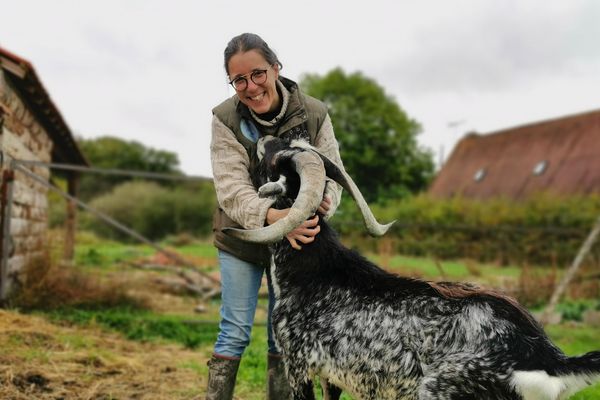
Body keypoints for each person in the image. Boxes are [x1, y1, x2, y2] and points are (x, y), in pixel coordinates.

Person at [207, 32, 344, 399]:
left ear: (276, 67)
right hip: (244, 237)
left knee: (283, 332)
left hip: (297, 242)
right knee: (235, 330)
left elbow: (333, 173)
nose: (250, 87)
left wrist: (327, 198)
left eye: (258, 74)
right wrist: (274, 219)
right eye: (239, 79)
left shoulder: (314, 113)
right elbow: (231, 189)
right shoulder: (225, 120)